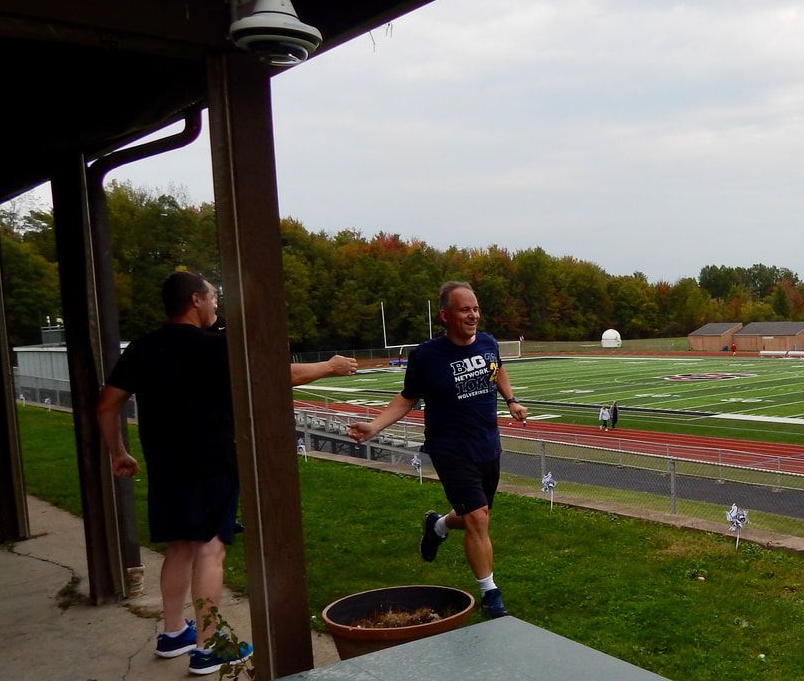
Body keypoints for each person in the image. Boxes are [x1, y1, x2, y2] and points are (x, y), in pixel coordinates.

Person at [96, 271, 356, 676]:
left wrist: (119, 452)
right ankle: (209, 646)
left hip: (165, 463)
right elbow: (278, 375)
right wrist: (330, 366)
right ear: (195, 301)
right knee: (210, 548)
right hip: (211, 461)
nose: (217, 304)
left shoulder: (144, 347)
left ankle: (172, 633)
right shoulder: (217, 346)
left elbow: (106, 405)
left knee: (180, 545)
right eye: (213, 297)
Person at [347, 281, 528, 619]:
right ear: (445, 316)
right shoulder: (427, 356)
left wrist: (511, 400)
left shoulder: (488, 342)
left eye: (475, 308)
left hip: (488, 444)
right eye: (464, 309)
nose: (472, 314)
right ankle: (491, 594)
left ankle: (438, 526)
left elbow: (498, 367)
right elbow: (407, 397)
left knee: (478, 515)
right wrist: (375, 425)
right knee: (477, 519)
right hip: (451, 449)